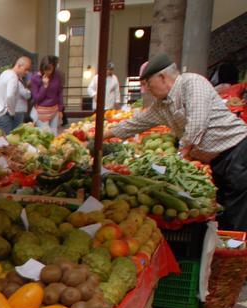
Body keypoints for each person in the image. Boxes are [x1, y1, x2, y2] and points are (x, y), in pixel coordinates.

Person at [105, 54, 247, 229]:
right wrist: (100, 136)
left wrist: (179, 158)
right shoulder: (162, 105)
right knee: (223, 207)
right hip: (216, 159)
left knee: (236, 211)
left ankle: (236, 251)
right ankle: (223, 248)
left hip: (237, 151)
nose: (147, 89)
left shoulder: (192, 83)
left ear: (162, 77)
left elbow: (196, 124)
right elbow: (135, 123)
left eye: (148, 84)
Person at [0, 56, 31, 134]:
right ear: (19, 65)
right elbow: (10, 96)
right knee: (5, 143)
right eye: (26, 69)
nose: (27, 72)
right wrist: (12, 112)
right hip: (4, 115)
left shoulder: (5, 73)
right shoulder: (13, 77)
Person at [30, 55, 64, 134]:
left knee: (54, 132)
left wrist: (60, 109)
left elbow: (59, 93)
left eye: (50, 69)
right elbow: (37, 98)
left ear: (54, 67)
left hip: (54, 109)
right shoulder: (35, 78)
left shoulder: (57, 76)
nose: (47, 72)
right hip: (41, 110)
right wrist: (45, 86)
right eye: (45, 69)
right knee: (44, 134)